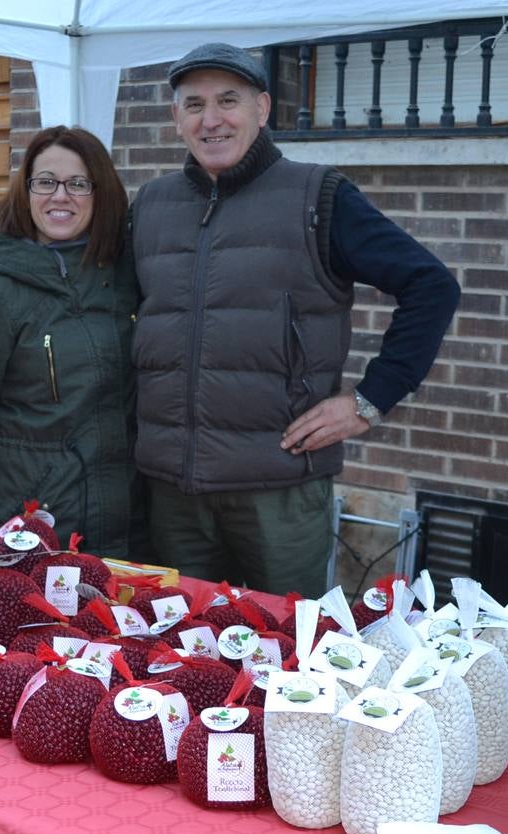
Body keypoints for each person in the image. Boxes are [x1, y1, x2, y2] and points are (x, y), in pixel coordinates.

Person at [129, 43, 460, 595]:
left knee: (285, 655)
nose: (211, 120)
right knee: (178, 655)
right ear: (176, 118)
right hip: (172, 499)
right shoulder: (152, 205)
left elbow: (431, 285)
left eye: (228, 101)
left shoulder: (318, 196)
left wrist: (369, 401)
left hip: (278, 494)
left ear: (262, 108)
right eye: (194, 105)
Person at [0, 126, 138, 559]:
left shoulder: (124, 279)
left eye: (78, 183)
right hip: (32, 522)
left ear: (100, 193)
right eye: (45, 181)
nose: (60, 195)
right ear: (25, 191)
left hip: (127, 516)